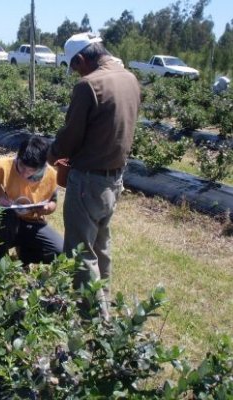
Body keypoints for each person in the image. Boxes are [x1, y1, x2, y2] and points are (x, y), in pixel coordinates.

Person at [47, 32, 141, 320]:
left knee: (80, 250)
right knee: (101, 245)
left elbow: (71, 138)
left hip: (87, 180)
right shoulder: (129, 79)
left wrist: (49, 155)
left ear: (81, 59)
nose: (76, 72)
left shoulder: (89, 85)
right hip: (114, 178)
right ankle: (104, 300)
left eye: (74, 66)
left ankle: (94, 318)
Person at [0, 136, 63, 265]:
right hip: (0, 221)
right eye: (22, 166)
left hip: (31, 223)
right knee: (8, 217)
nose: (24, 173)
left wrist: (46, 208)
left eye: (31, 171)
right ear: (18, 156)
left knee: (60, 251)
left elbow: (53, 203)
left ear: (42, 166)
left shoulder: (51, 175)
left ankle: (25, 256)